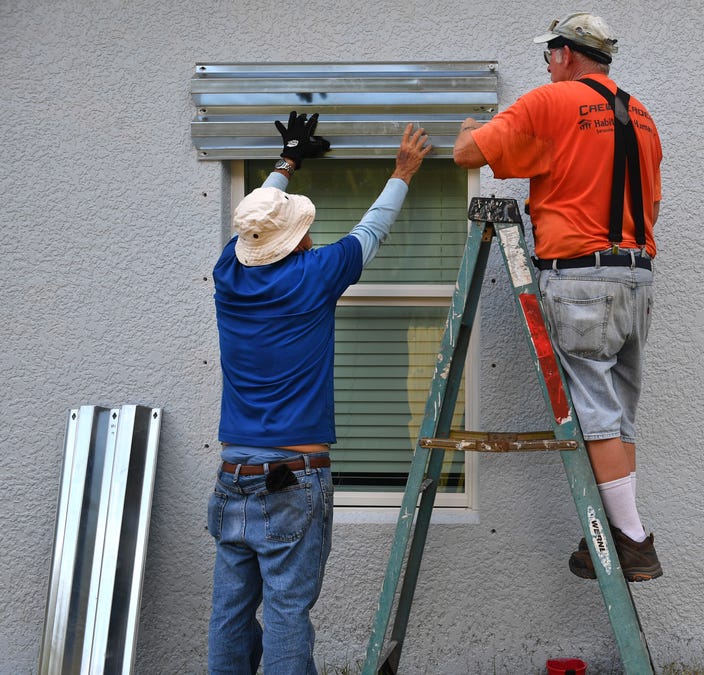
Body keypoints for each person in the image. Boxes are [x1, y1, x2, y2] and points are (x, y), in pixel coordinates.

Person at [208, 111, 431, 673]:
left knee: (230, 613)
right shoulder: (314, 273)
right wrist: (403, 170)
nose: (310, 230)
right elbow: (372, 229)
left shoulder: (227, 275)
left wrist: (287, 160)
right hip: (292, 476)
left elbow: (251, 226)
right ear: (292, 241)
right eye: (301, 226)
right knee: (286, 608)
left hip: (233, 475)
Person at [453, 12, 664, 582]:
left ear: (566, 54)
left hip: (581, 280)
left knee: (595, 417)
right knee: (617, 419)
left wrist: (474, 124)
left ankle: (633, 539)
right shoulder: (640, 115)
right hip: (635, 278)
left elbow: (468, 154)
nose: (546, 66)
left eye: (548, 55)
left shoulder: (552, 102)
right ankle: (621, 532)